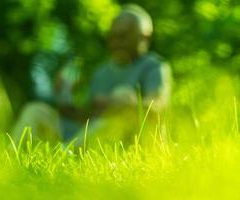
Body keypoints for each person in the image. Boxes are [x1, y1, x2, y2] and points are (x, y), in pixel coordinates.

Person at [12, 4, 171, 147]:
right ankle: (13, 158)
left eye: (123, 36)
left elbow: (157, 110)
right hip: (91, 139)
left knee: (123, 94)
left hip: (131, 143)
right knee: (35, 110)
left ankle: (66, 153)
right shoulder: (101, 72)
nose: (116, 43)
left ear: (145, 37)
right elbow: (89, 119)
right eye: (112, 37)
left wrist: (117, 104)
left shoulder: (154, 66)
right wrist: (65, 103)